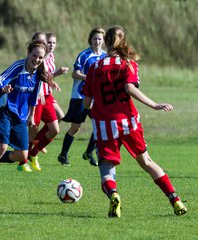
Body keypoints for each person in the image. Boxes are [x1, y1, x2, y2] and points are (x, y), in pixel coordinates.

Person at [83, 25, 187, 217]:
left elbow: (87, 103)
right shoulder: (128, 64)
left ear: (105, 42)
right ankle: (176, 201)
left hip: (104, 125)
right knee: (147, 162)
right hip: (128, 122)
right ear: (123, 42)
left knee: (106, 167)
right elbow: (130, 88)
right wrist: (154, 104)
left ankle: (114, 194)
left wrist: (93, 105)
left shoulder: (94, 67)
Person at [0, 39, 52, 194]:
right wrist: (3, 89)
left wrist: (31, 115)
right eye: (34, 55)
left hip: (21, 116)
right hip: (4, 110)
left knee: (22, 155)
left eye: (40, 57)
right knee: (2, 147)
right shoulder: (18, 67)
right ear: (28, 53)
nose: (37, 59)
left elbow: (33, 97)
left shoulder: (39, 74)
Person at [58, 27, 106, 166]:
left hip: (96, 97)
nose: (97, 41)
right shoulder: (84, 55)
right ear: (91, 40)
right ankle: (63, 155)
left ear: (103, 41)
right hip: (80, 95)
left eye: (100, 39)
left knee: (99, 125)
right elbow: (75, 73)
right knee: (76, 127)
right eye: (95, 38)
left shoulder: (105, 56)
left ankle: (89, 152)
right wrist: (90, 78)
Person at [20, 32, 69, 172]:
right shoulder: (34, 59)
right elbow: (35, 77)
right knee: (32, 129)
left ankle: (33, 153)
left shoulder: (48, 57)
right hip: (36, 98)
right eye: (47, 42)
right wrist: (54, 76)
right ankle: (22, 162)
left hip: (47, 97)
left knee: (55, 128)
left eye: (52, 42)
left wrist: (52, 83)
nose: (49, 45)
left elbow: (44, 76)